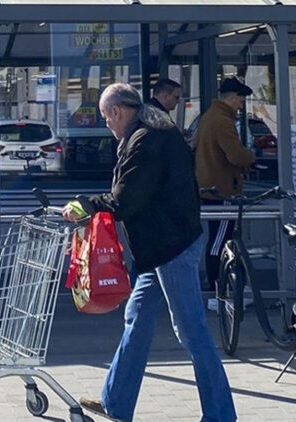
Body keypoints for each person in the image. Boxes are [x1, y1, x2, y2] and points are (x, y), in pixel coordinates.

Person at [62, 82, 236, 422]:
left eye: (105, 117)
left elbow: (126, 200)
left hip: (171, 247)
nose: (107, 125)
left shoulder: (145, 141)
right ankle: (116, 403)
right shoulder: (152, 128)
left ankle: (220, 415)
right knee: (137, 321)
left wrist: (85, 205)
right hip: (159, 248)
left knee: (191, 330)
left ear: (115, 111)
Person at [194, 77, 256, 291]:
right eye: (240, 100)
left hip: (210, 187)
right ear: (230, 98)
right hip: (223, 190)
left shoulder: (209, 117)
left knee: (218, 237)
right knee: (221, 239)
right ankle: (216, 285)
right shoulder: (222, 121)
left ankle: (220, 283)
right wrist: (252, 157)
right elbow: (236, 155)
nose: (241, 105)